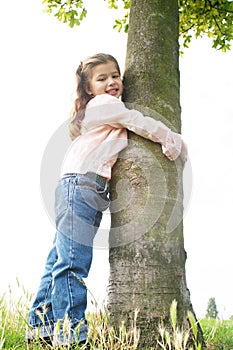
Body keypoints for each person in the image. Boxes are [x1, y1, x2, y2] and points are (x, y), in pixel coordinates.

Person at [26, 53, 187, 348]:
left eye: (115, 75)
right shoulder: (104, 105)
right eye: (102, 78)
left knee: (59, 260)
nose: (112, 82)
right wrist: (173, 139)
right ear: (89, 88)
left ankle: (41, 326)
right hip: (83, 185)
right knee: (73, 262)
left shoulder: (96, 109)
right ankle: (71, 335)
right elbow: (137, 121)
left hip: (76, 186)